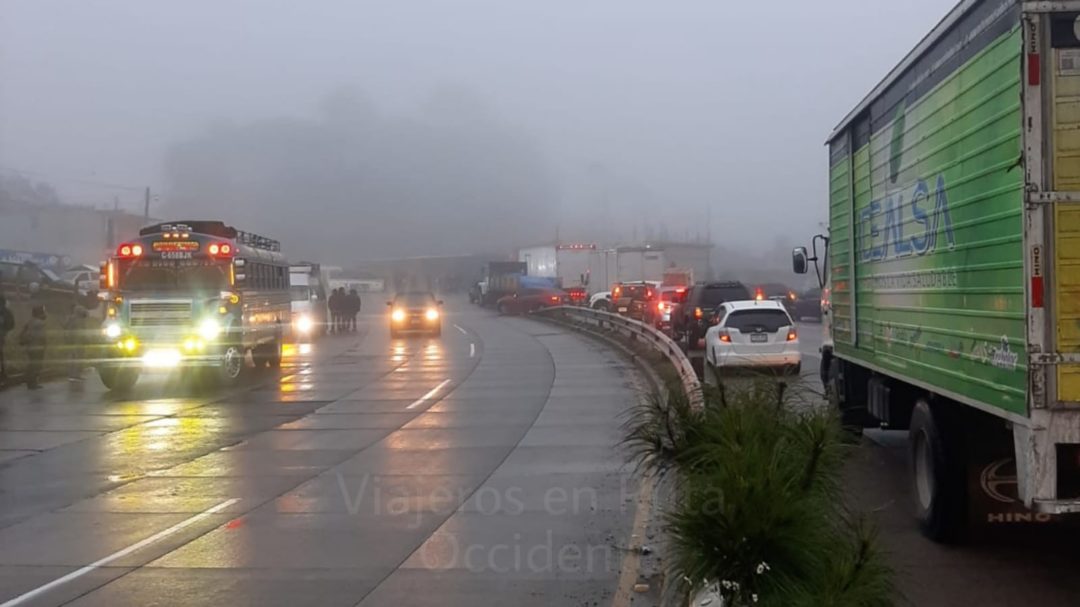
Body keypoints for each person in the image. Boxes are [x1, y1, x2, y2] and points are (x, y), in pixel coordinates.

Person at [19, 305, 47, 390]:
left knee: (31, 364)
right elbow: (42, 337)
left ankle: (30, 382)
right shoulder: (40, 323)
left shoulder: (29, 322)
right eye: (43, 312)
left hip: (30, 347)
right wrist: (45, 344)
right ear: (39, 313)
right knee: (36, 365)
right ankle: (33, 383)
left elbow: (23, 332)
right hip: (38, 347)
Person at [64, 300, 89, 381]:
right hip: (75, 342)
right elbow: (70, 331)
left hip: (77, 342)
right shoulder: (75, 319)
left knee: (76, 358)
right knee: (75, 358)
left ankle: (75, 375)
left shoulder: (76, 319)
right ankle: (74, 375)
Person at [0, 296, 13, 379]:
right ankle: (3, 373)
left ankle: (3, 372)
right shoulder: (6, 311)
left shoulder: (5, 311)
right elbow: (11, 323)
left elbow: (11, 323)